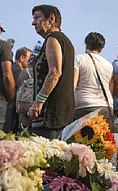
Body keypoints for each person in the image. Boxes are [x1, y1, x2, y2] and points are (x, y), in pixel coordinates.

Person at [27, 4, 75, 139]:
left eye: (37, 17)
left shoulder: (53, 39)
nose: (33, 23)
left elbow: (55, 72)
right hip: (61, 112)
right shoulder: (67, 42)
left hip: (51, 114)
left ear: (51, 19)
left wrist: (38, 102)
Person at [73, 32, 114, 124]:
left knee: (81, 138)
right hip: (105, 107)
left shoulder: (79, 59)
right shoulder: (108, 65)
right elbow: (110, 89)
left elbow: (73, 84)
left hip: (84, 106)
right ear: (102, 48)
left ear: (86, 44)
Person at [5, 47, 32, 133]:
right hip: (12, 110)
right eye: (29, 58)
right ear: (22, 58)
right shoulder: (19, 72)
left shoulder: (11, 68)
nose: (30, 61)